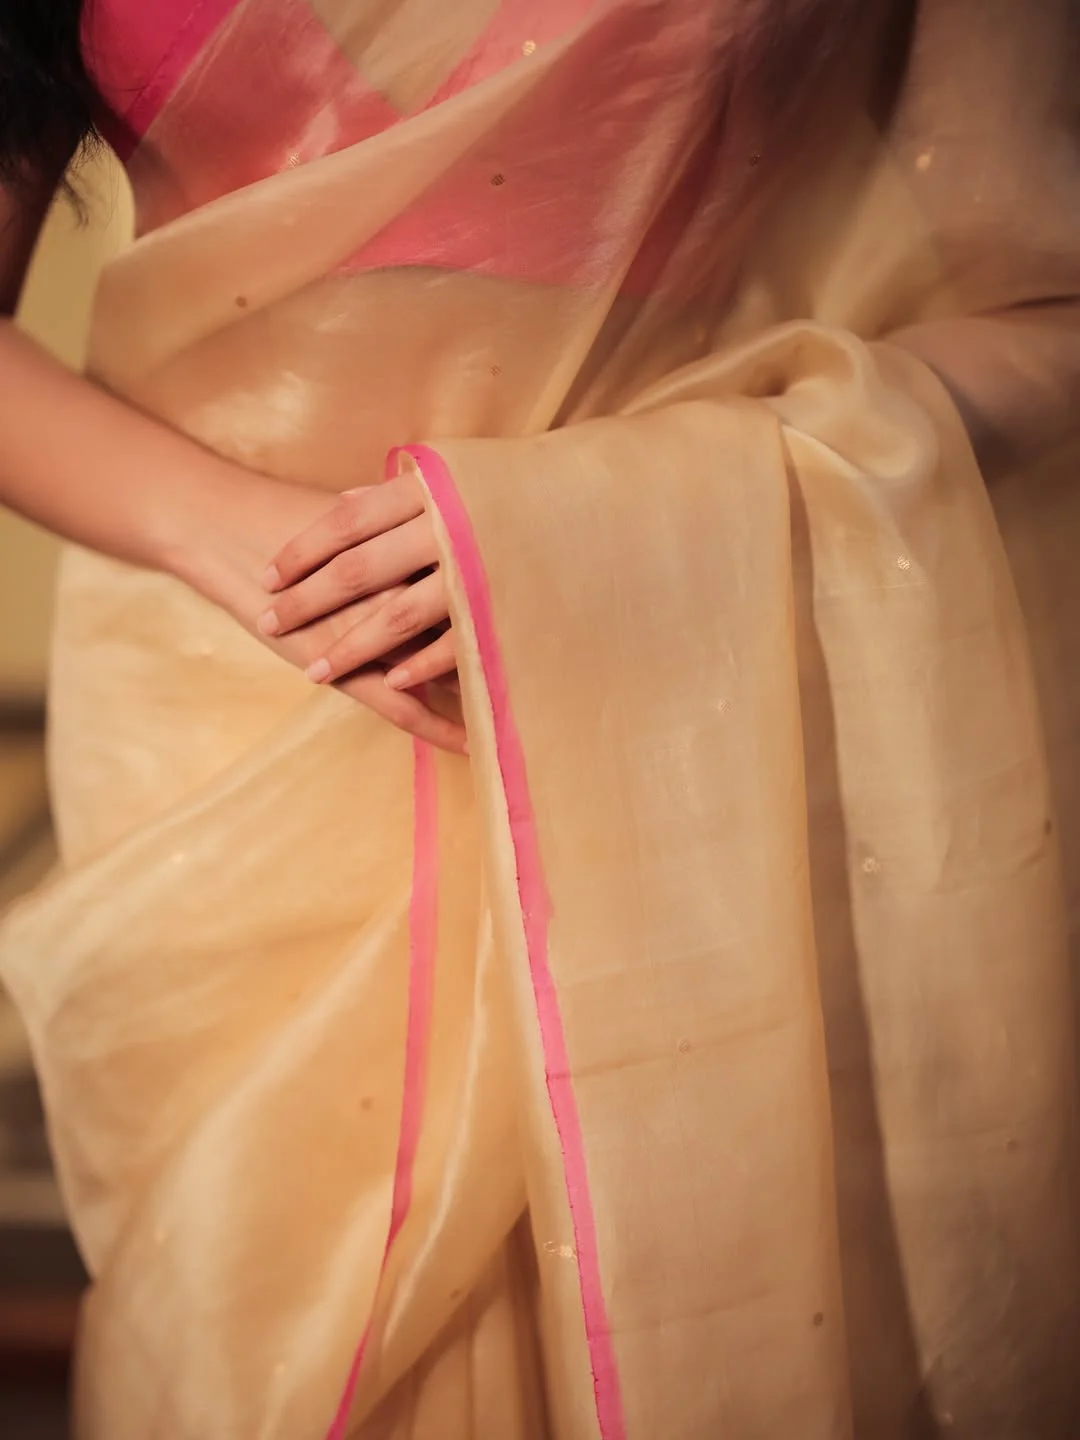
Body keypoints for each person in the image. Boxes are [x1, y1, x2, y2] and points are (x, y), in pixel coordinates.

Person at [1, 1, 1080, 1436]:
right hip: (230, 719)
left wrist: (601, 524)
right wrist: (273, 557)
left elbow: (1049, 309)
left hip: (672, 705)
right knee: (258, 1343)